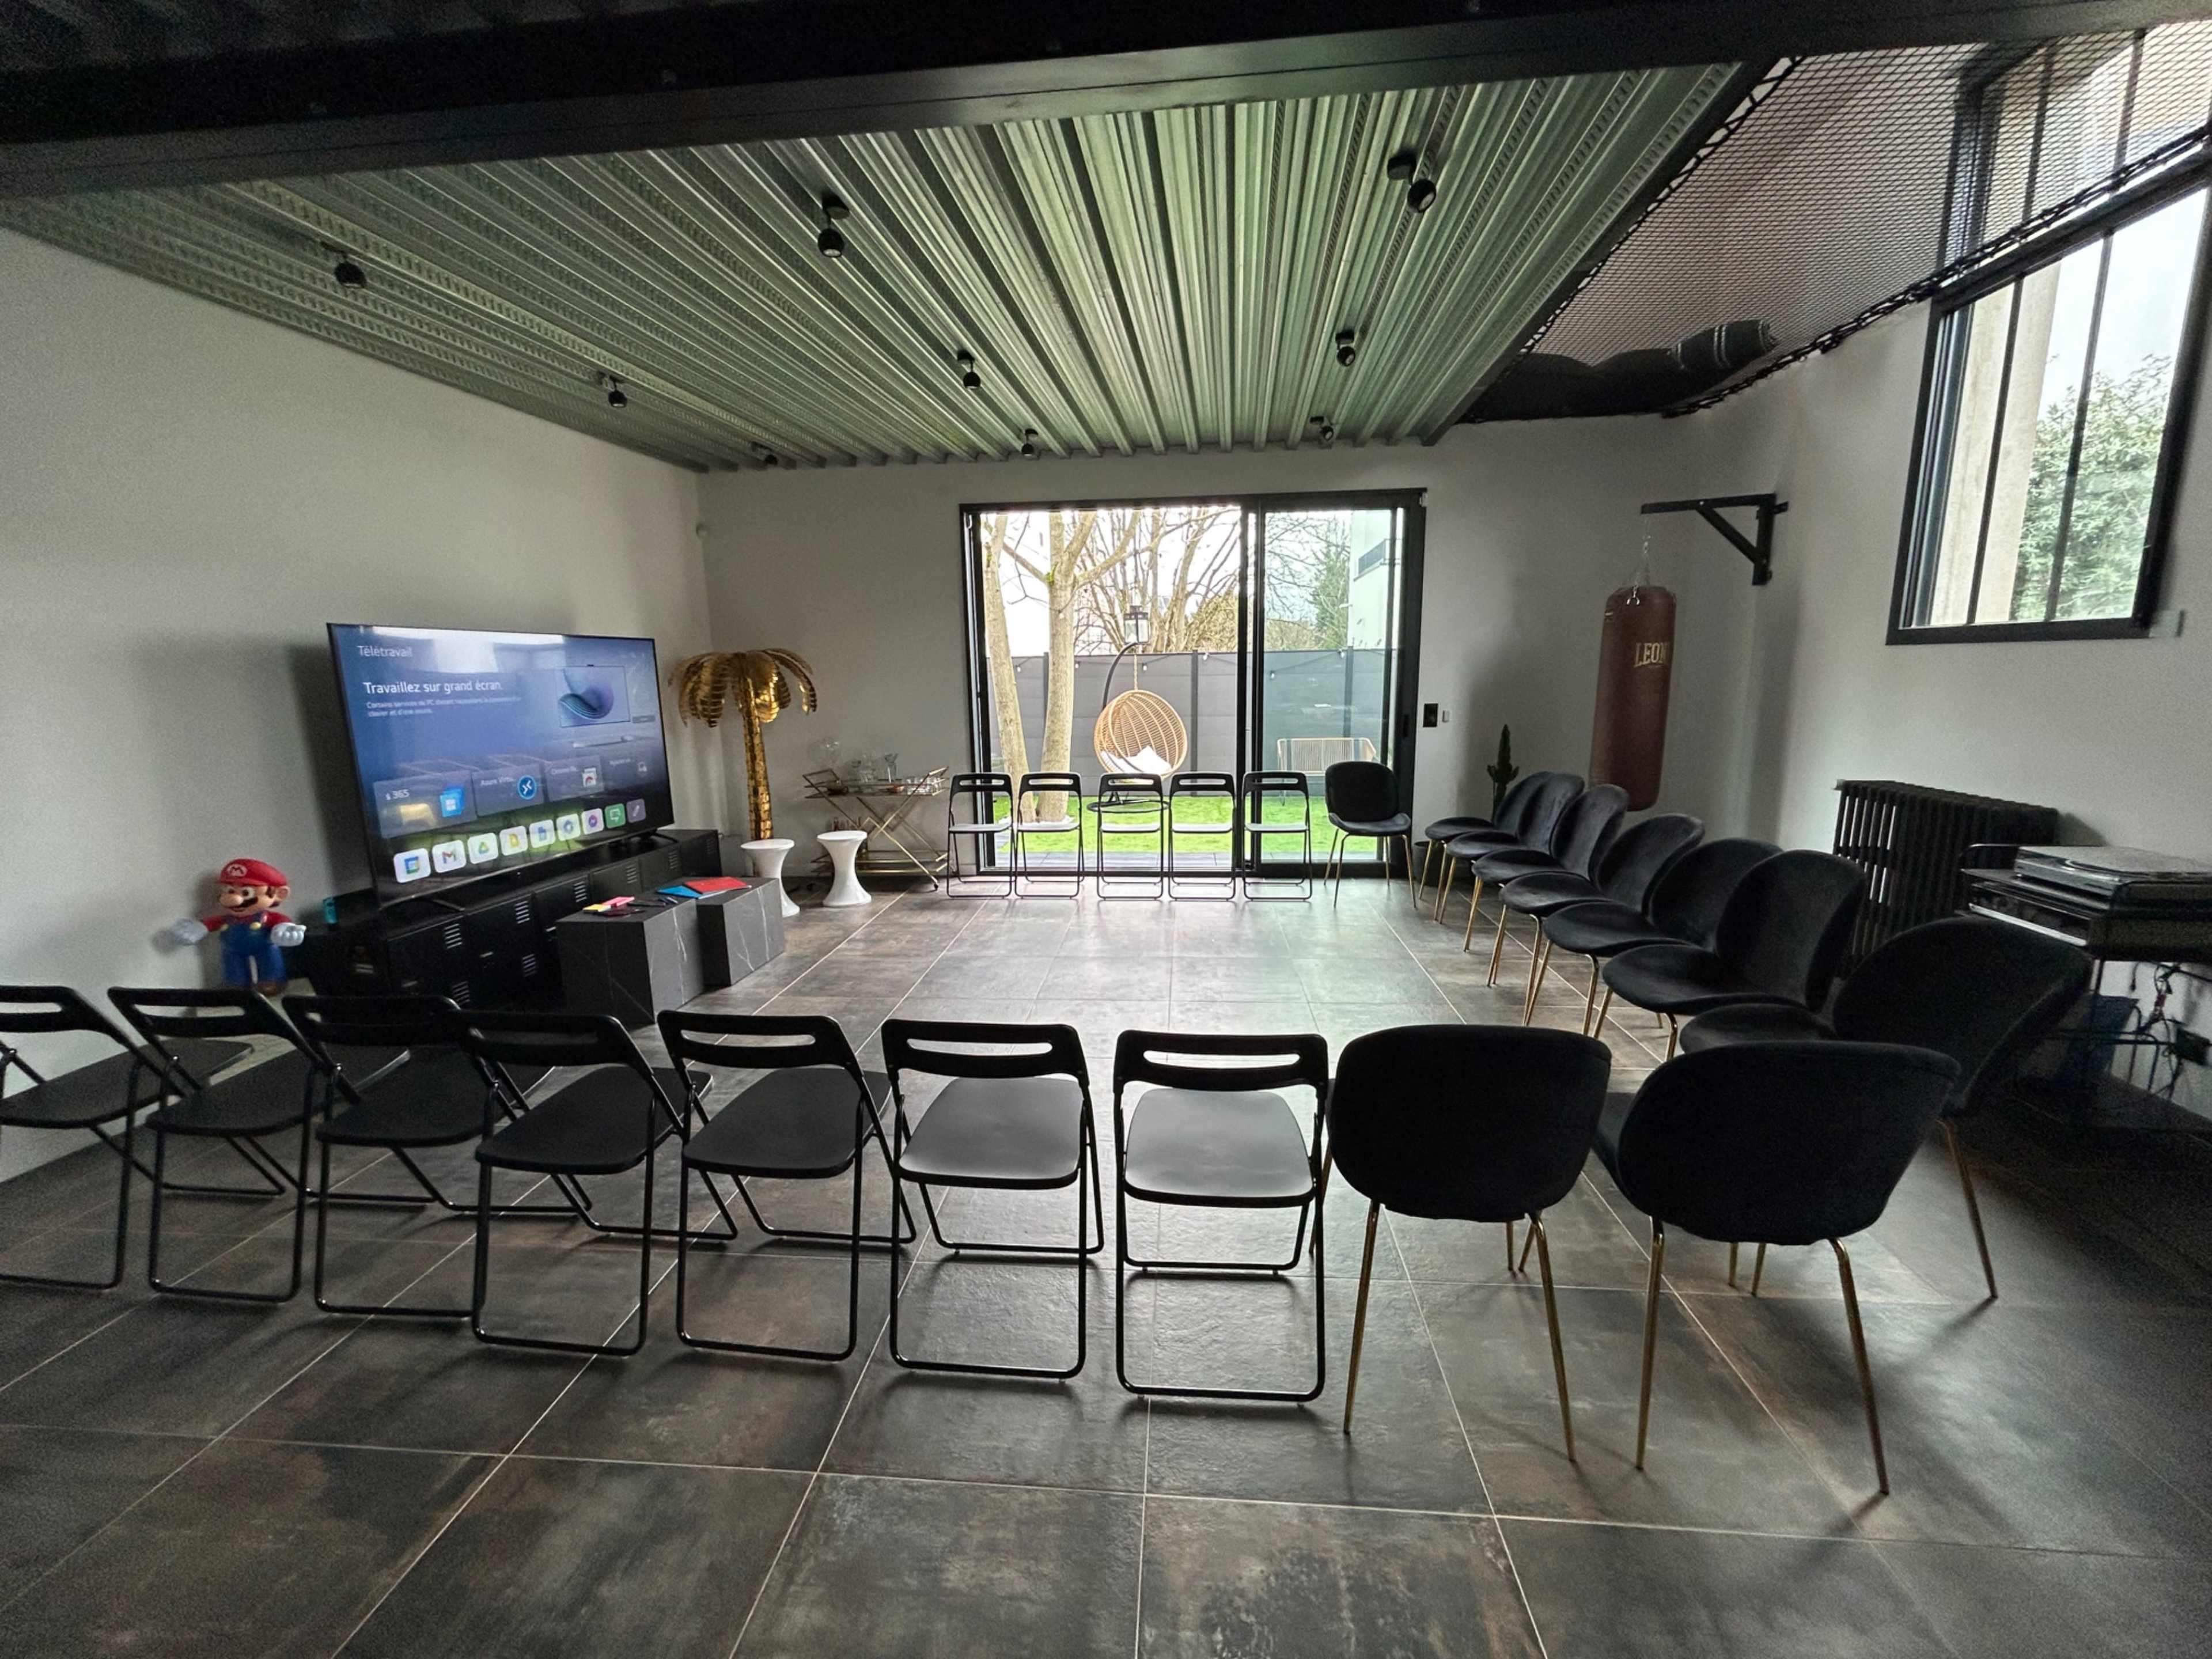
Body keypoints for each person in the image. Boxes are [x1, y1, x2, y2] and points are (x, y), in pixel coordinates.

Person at [166, 857, 308, 994]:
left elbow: (281, 921)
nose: (232, 900)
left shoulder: (267, 917)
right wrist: (199, 928)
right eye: (229, 891)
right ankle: (237, 984)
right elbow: (211, 923)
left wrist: (284, 930)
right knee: (234, 969)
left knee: (270, 960)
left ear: (279, 894)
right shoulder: (228, 919)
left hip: (265, 947)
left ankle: (272, 981)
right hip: (233, 950)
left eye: (246, 893)